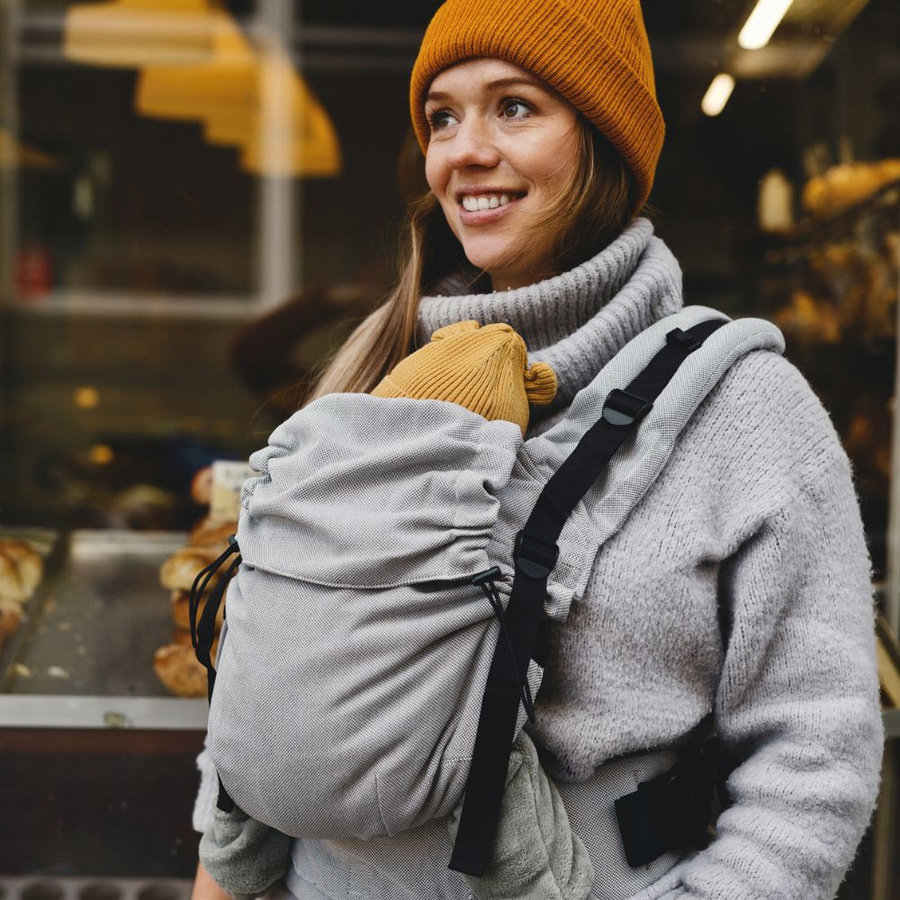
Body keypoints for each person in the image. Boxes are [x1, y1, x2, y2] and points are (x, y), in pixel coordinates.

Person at [191, 1, 884, 899]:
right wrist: (221, 874)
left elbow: (814, 753)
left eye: (514, 107)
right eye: (443, 115)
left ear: (604, 142)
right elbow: (270, 679)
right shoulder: (375, 370)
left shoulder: (741, 408)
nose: (463, 151)